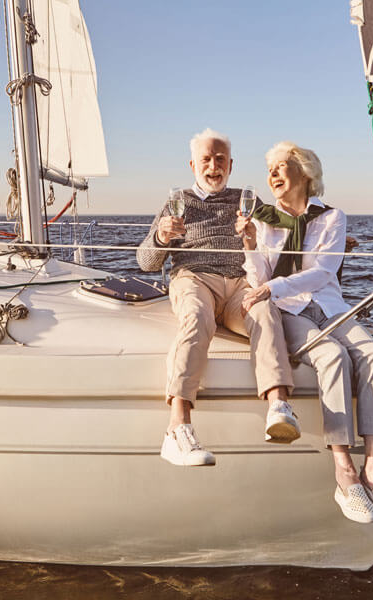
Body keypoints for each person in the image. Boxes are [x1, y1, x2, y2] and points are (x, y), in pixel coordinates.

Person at [235, 141, 373, 528]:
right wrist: (249, 246)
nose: (273, 175)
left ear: (306, 173)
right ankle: (344, 470)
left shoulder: (331, 218)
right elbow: (259, 279)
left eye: (282, 167)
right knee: (332, 356)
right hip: (289, 309)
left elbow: (325, 271)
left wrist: (271, 287)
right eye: (270, 169)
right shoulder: (264, 220)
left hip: (329, 305)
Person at [137, 128, 296, 467]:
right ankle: (177, 430)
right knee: (196, 317)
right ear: (192, 164)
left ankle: (278, 406)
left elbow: (289, 227)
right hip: (195, 277)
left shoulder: (246, 199)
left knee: (265, 310)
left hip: (241, 280)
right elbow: (147, 263)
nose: (213, 166)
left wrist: (333, 239)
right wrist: (162, 238)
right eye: (206, 159)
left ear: (231, 165)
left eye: (220, 159)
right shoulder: (178, 201)